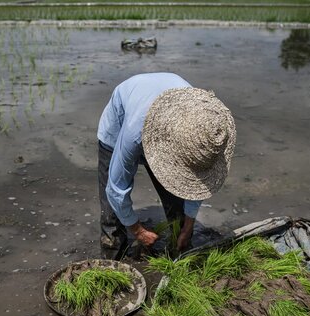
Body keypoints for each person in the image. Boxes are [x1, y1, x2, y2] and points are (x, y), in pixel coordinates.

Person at [97, 72, 236, 260]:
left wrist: (188, 225)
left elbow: (200, 179)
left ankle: (178, 249)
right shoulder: (134, 133)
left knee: (178, 201)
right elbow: (115, 188)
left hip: (167, 121)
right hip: (121, 124)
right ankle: (113, 256)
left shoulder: (204, 124)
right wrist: (138, 231)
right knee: (111, 215)